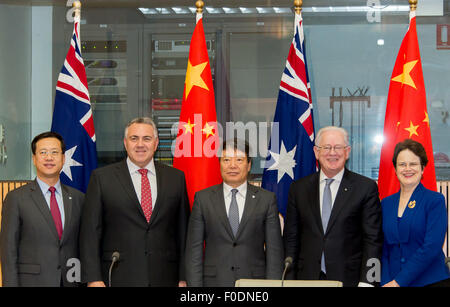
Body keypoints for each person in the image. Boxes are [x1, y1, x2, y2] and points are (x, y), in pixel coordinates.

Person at [80, 117, 190, 287]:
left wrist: (184, 277)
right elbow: (90, 233)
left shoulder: (175, 178)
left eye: (146, 138)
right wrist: (93, 278)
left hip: (165, 277)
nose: (140, 144)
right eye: (134, 138)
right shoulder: (102, 178)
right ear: (125, 143)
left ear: (156, 143)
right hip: (117, 275)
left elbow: (183, 231)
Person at [284, 126, 383, 287]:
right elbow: (291, 238)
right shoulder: (299, 189)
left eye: (338, 147)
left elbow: (373, 240)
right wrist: (289, 280)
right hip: (306, 279)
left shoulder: (365, 188)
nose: (332, 153)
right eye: (326, 147)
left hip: (351, 280)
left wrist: (369, 281)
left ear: (347, 151)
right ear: (316, 152)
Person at [185, 139, 284, 286]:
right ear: (219, 164)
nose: (232, 165)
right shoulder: (203, 199)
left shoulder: (266, 200)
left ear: (249, 165)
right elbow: (194, 251)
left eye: (239, 160)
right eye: (226, 160)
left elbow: (274, 253)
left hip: (254, 284)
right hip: (214, 282)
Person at [0, 132, 84, 287]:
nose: (49, 158)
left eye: (54, 152)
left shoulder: (78, 198)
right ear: (34, 159)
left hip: (71, 281)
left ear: (63, 158)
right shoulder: (16, 198)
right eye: (43, 152)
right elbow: (8, 251)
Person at [381, 139, 450, 287]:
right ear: (395, 168)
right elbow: (383, 248)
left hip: (430, 281)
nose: (407, 169)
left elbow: (431, 247)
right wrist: (386, 282)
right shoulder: (386, 203)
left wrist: (399, 282)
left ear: (423, 168)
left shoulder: (435, 201)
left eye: (413, 164)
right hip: (391, 282)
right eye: (402, 164)